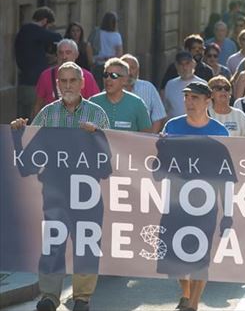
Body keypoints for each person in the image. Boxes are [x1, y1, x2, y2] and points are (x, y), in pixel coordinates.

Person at [10, 61, 110, 311]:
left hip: (88, 194)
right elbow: (28, 164)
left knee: (86, 244)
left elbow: (109, 163)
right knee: (53, 243)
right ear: (57, 85)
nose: (67, 85)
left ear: (82, 83)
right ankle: (50, 296)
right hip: (55, 193)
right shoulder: (46, 115)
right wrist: (16, 135)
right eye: (63, 81)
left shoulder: (97, 114)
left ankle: (82, 297)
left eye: (72, 80)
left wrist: (97, 135)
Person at [161, 81, 229, 311]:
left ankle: (193, 304)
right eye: (186, 97)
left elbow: (226, 176)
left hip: (206, 206)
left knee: (200, 257)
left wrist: (227, 212)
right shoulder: (172, 127)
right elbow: (158, 168)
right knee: (177, 259)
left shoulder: (220, 132)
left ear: (207, 101)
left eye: (195, 98)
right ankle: (187, 292)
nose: (189, 102)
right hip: (175, 203)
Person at [14, 6, 62, 119]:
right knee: (33, 119)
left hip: (23, 81)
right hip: (34, 84)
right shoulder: (33, 30)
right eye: (49, 26)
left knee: (22, 118)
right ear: (45, 21)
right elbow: (57, 37)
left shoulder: (23, 31)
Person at [32, 39, 100, 118]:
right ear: (57, 55)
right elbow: (37, 105)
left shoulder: (87, 76)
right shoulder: (46, 76)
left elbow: (95, 105)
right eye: (61, 53)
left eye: (68, 52)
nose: (64, 57)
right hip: (52, 125)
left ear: (76, 55)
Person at [89, 58, 152, 132]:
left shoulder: (137, 104)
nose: (108, 79)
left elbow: (147, 135)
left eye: (113, 76)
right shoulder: (93, 102)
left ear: (125, 80)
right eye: (105, 75)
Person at [120, 54, 167, 133]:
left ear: (138, 71)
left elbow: (159, 117)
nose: (129, 72)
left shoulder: (148, 88)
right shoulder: (111, 89)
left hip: (143, 138)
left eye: (132, 68)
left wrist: (150, 138)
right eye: (126, 68)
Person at [163, 51, 207, 119]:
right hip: (175, 127)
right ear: (176, 66)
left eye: (187, 63)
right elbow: (165, 108)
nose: (184, 67)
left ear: (193, 64)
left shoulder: (203, 84)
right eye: (181, 64)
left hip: (197, 126)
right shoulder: (170, 84)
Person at [92, 11, 123, 89]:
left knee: (98, 86)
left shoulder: (98, 33)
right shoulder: (116, 36)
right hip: (111, 65)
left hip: (98, 63)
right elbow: (119, 54)